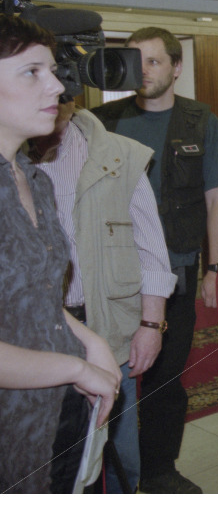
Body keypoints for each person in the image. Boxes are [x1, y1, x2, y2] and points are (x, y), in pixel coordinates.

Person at [92, 26, 218, 494]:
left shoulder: (201, 121)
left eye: (154, 61)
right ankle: (106, 474)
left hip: (177, 270)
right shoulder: (102, 122)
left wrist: (215, 268)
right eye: (136, 61)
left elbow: (217, 201)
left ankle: (158, 470)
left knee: (164, 377)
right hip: (113, 276)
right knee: (106, 375)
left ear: (176, 68)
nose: (144, 71)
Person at [0, 14, 120, 493]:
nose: (57, 87)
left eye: (53, 71)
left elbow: (35, 296)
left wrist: (91, 341)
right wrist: (74, 367)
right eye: (32, 72)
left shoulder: (35, 178)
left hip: (54, 413)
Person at [31, 101, 176, 494]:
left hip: (109, 334)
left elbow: (151, 249)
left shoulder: (120, 154)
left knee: (119, 455)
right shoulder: (10, 151)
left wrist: (150, 324)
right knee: (45, 460)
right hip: (34, 339)